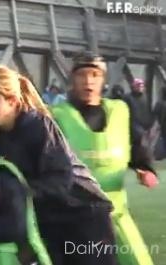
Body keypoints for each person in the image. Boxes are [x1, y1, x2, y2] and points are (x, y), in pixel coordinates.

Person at [0, 64, 117, 265]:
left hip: (85, 217)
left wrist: (19, 192)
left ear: (13, 101)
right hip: (51, 222)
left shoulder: (38, 126)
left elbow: (60, 179)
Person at [51, 52, 158, 265]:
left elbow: (136, 143)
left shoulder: (120, 111)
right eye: (82, 75)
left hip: (116, 212)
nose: (88, 81)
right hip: (76, 215)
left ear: (103, 79)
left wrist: (145, 168)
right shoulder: (56, 116)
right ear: (73, 79)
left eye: (95, 74)